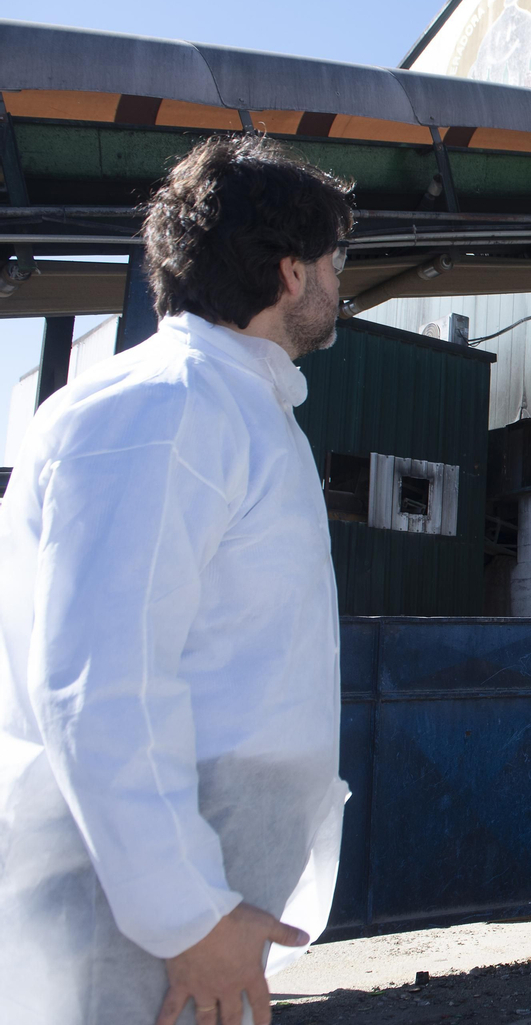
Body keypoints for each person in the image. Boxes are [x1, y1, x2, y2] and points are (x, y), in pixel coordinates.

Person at [0, 136, 354, 1025]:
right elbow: (101, 681)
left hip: (189, 892)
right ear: (288, 273)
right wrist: (189, 914)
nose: (340, 284)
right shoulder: (166, 406)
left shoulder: (230, 404)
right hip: (134, 914)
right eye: (335, 262)